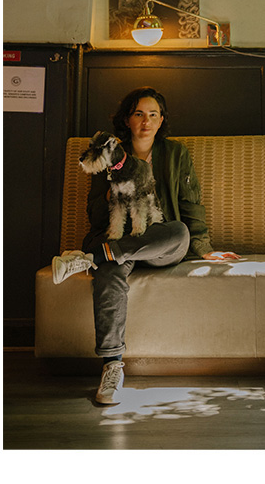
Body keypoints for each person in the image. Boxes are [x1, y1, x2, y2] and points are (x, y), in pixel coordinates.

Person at [51, 87, 238, 405]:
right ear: (128, 118)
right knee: (109, 270)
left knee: (179, 231)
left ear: (162, 119)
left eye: (153, 114)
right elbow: (94, 212)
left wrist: (204, 247)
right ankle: (112, 367)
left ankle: (89, 258)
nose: (146, 120)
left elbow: (189, 203)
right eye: (139, 113)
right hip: (118, 241)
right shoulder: (109, 153)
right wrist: (113, 192)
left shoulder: (176, 154)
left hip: (161, 243)